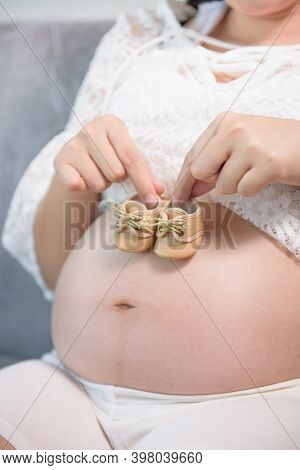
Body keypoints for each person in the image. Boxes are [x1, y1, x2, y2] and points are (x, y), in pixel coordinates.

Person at [1, 0, 300, 450]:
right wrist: (77, 178)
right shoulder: (145, 31)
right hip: (69, 387)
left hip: (254, 404)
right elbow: (53, 269)